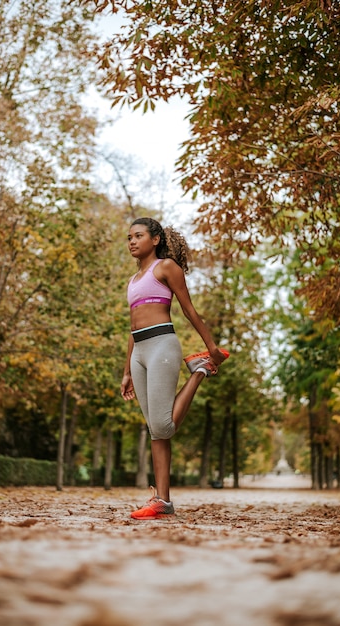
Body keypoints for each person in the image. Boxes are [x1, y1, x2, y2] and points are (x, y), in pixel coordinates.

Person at [121, 217, 229, 520]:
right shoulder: (132, 281)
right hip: (139, 351)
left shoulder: (166, 267)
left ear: (155, 239)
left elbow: (188, 308)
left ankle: (200, 370)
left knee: (164, 426)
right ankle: (162, 501)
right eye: (129, 237)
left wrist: (211, 347)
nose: (131, 241)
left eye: (138, 236)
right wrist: (127, 370)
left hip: (162, 346)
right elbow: (132, 327)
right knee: (156, 430)